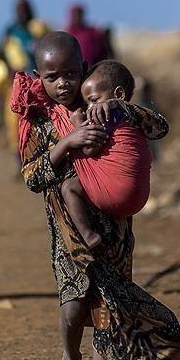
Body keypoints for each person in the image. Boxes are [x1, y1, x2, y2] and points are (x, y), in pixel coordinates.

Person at [11, 32, 180, 360]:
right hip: (68, 230)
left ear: (83, 68)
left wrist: (121, 108)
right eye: (52, 77)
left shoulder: (104, 98)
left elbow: (160, 127)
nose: (63, 83)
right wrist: (68, 143)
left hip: (113, 227)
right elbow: (32, 177)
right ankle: (70, 358)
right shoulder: (41, 121)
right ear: (39, 76)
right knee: (71, 308)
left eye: (70, 73)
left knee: (106, 312)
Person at [56, 60, 152, 253]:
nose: (91, 108)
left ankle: (87, 234)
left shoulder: (107, 114)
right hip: (140, 196)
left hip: (118, 193)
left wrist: (77, 126)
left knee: (69, 187)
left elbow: (89, 150)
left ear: (118, 95)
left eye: (93, 99)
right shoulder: (133, 117)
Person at [0, 0, 49, 156]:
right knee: (14, 120)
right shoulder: (10, 31)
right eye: (19, 10)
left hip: (38, 82)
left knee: (40, 119)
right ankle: (19, 158)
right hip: (16, 83)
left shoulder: (38, 28)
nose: (22, 13)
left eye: (24, 9)